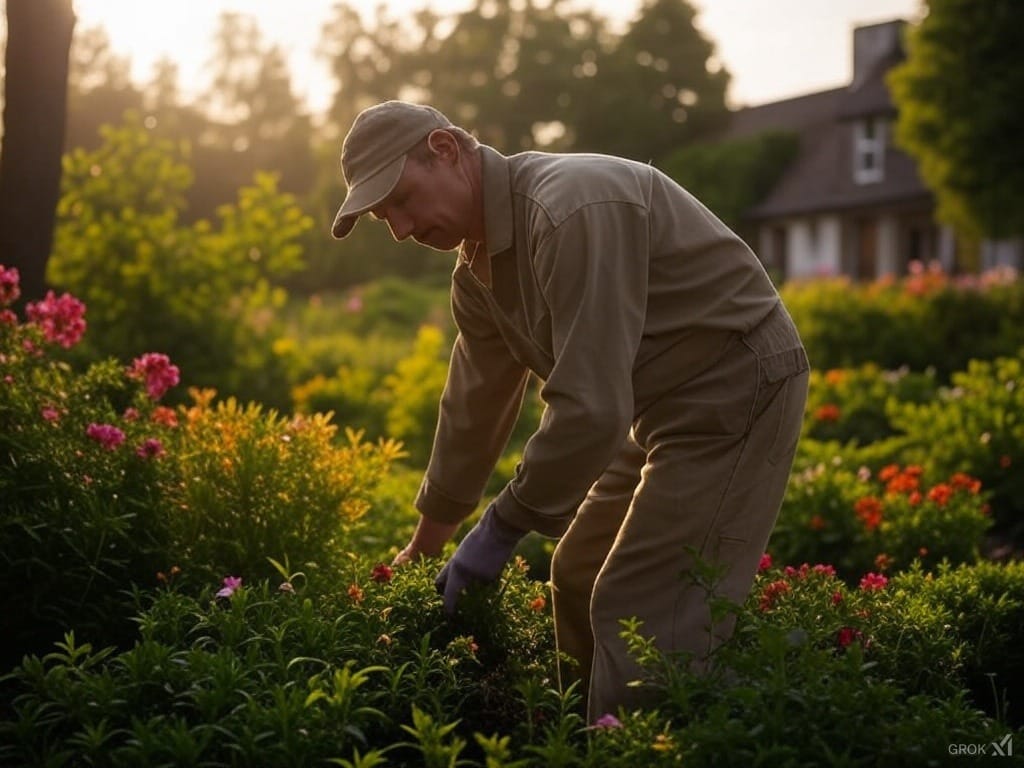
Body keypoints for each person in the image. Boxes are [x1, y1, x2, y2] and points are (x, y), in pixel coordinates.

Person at [330, 100, 809, 722]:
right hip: (654, 402)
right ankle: (580, 737)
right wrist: (427, 545)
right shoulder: (477, 271)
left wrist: (501, 527)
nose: (397, 228)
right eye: (380, 216)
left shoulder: (568, 209)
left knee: (640, 604)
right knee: (579, 572)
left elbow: (590, 408)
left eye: (399, 199)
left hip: (735, 382)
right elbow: (473, 408)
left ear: (445, 150)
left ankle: (646, 749)